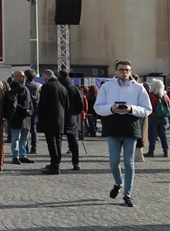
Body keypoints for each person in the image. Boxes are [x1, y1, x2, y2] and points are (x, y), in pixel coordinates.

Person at [94, 60, 152, 207]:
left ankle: (127, 194)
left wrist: (131, 108)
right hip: (113, 127)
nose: (124, 72)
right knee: (114, 162)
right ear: (115, 71)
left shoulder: (138, 88)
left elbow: (147, 109)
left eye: (127, 70)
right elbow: (98, 107)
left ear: (130, 72)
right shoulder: (107, 87)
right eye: (121, 69)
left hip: (131, 127)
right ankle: (118, 183)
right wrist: (111, 108)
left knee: (129, 162)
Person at [37, 69, 69, 175]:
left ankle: (55, 166)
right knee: (58, 142)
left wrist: (39, 114)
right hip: (61, 118)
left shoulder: (46, 87)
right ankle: (55, 162)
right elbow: (67, 105)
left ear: (45, 76)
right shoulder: (63, 87)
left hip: (49, 118)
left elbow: (42, 104)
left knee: (51, 143)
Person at [8, 71, 35, 165]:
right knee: (16, 138)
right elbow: (13, 103)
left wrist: (31, 110)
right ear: (15, 77)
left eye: (24, 76)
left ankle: (23, 155)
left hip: (26, 117)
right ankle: (15, 156)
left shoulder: (26, 88)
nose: (24, 78)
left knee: (24, 138)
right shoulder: (12, 88)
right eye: (22, 76)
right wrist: (24, 110)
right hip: (17, 116)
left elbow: (30, 101)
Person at [58, 70, 83, 170]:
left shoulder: (57, 86)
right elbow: (80, 103)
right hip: (71, 116)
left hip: (58, 116)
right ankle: (75, 162)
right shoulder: (74, 87)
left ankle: (56, 162)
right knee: (73, 140)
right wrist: (75, 112)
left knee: (57, 140)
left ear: (59, 75)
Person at [144, 80, 169, 157]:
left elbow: (147, 105)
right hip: (164, 117)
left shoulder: (150, 95)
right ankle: (166, 151)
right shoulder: (165, 96)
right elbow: (168, 105)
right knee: (163, 134)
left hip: (153, 116)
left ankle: (151, 151)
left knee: (152, 135)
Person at [24, 69, 41, 154]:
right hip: (35, 107)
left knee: (26, 128)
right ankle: (34, 147)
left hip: (27, 107)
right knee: (33, 128)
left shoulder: (24, 86)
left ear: (26, 76)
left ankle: (25, 147)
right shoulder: (37, 85)